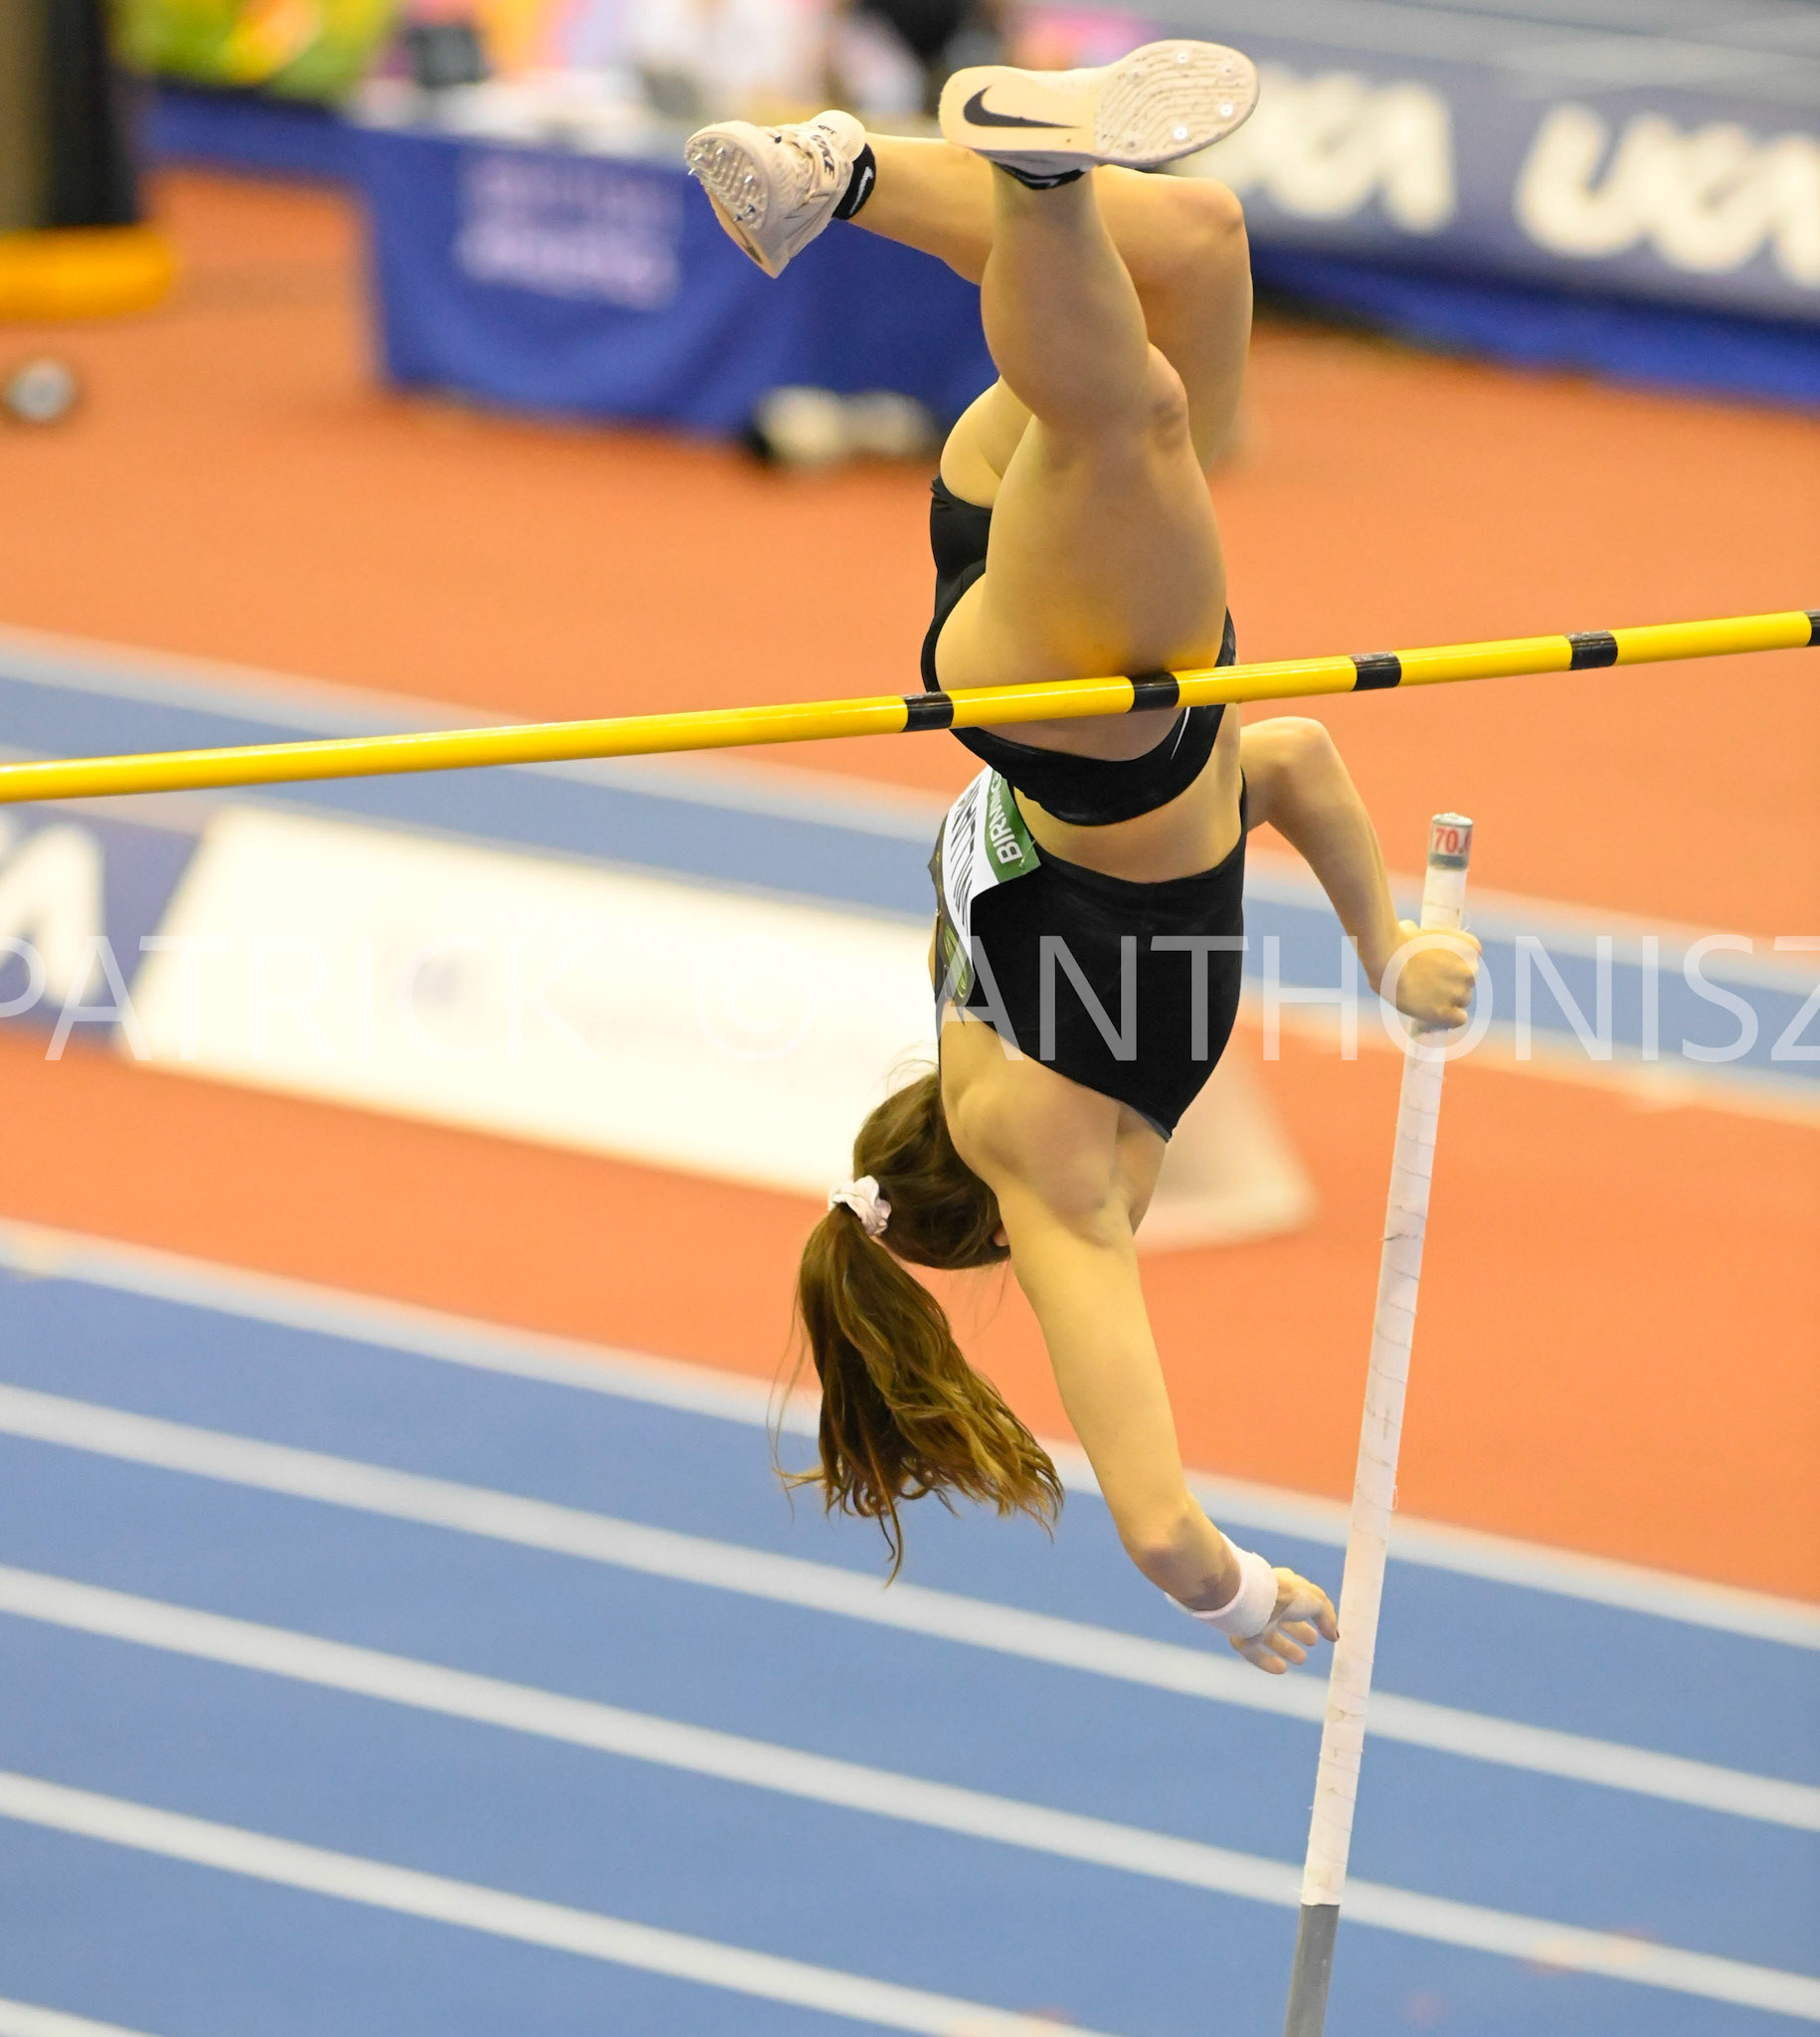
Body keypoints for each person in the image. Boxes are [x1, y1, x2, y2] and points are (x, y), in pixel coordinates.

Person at [685, 45, 1481, 1675]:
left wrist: (1238, 1600)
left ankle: (1015, 176)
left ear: (981, 1223)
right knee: (1193, 252)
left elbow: (1161, 1525)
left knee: (1126, 409)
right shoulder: (962, 1004)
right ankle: (837, 176)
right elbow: (1289, 759)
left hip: (1090, 711)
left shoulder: (1051, 1167)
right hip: (1039, 649)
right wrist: (1390, 947)